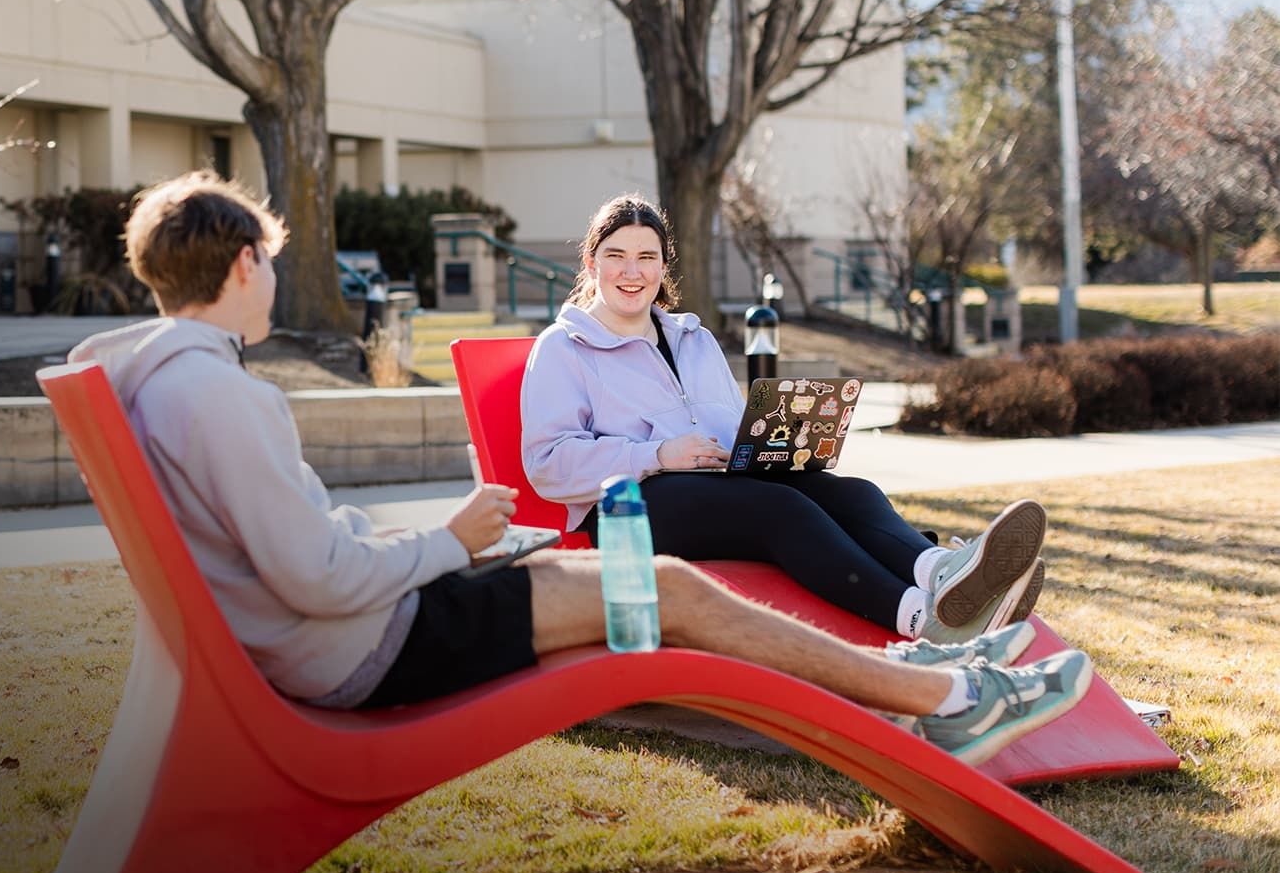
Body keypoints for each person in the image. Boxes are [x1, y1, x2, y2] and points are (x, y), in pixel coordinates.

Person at [68, 172, 1089, 764]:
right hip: (371, 641)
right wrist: (448, 542)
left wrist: (445, 548)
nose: (634, 272)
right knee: (683, 582)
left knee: (828, 490)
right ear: (244, 262)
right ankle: (936, 688)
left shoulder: (155, 379)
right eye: (272, 261)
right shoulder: (220, 395)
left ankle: (938, 610)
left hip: (370, 624)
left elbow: (308, 559)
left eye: (648, 258)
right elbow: (319, 577)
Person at [521, 193, 1046, 647]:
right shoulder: (565, 347)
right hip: (629, 509)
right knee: (779, 509)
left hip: (715, 486)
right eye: (616, 256)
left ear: (663, 266)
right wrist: (656, 455)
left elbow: (729, 423)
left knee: (847, 492)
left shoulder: (693, 338)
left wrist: (769, 444)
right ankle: (921, 619)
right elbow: (546, 464)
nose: (631, 272)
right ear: (591, 263)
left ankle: (943, 573)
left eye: (646, 257)